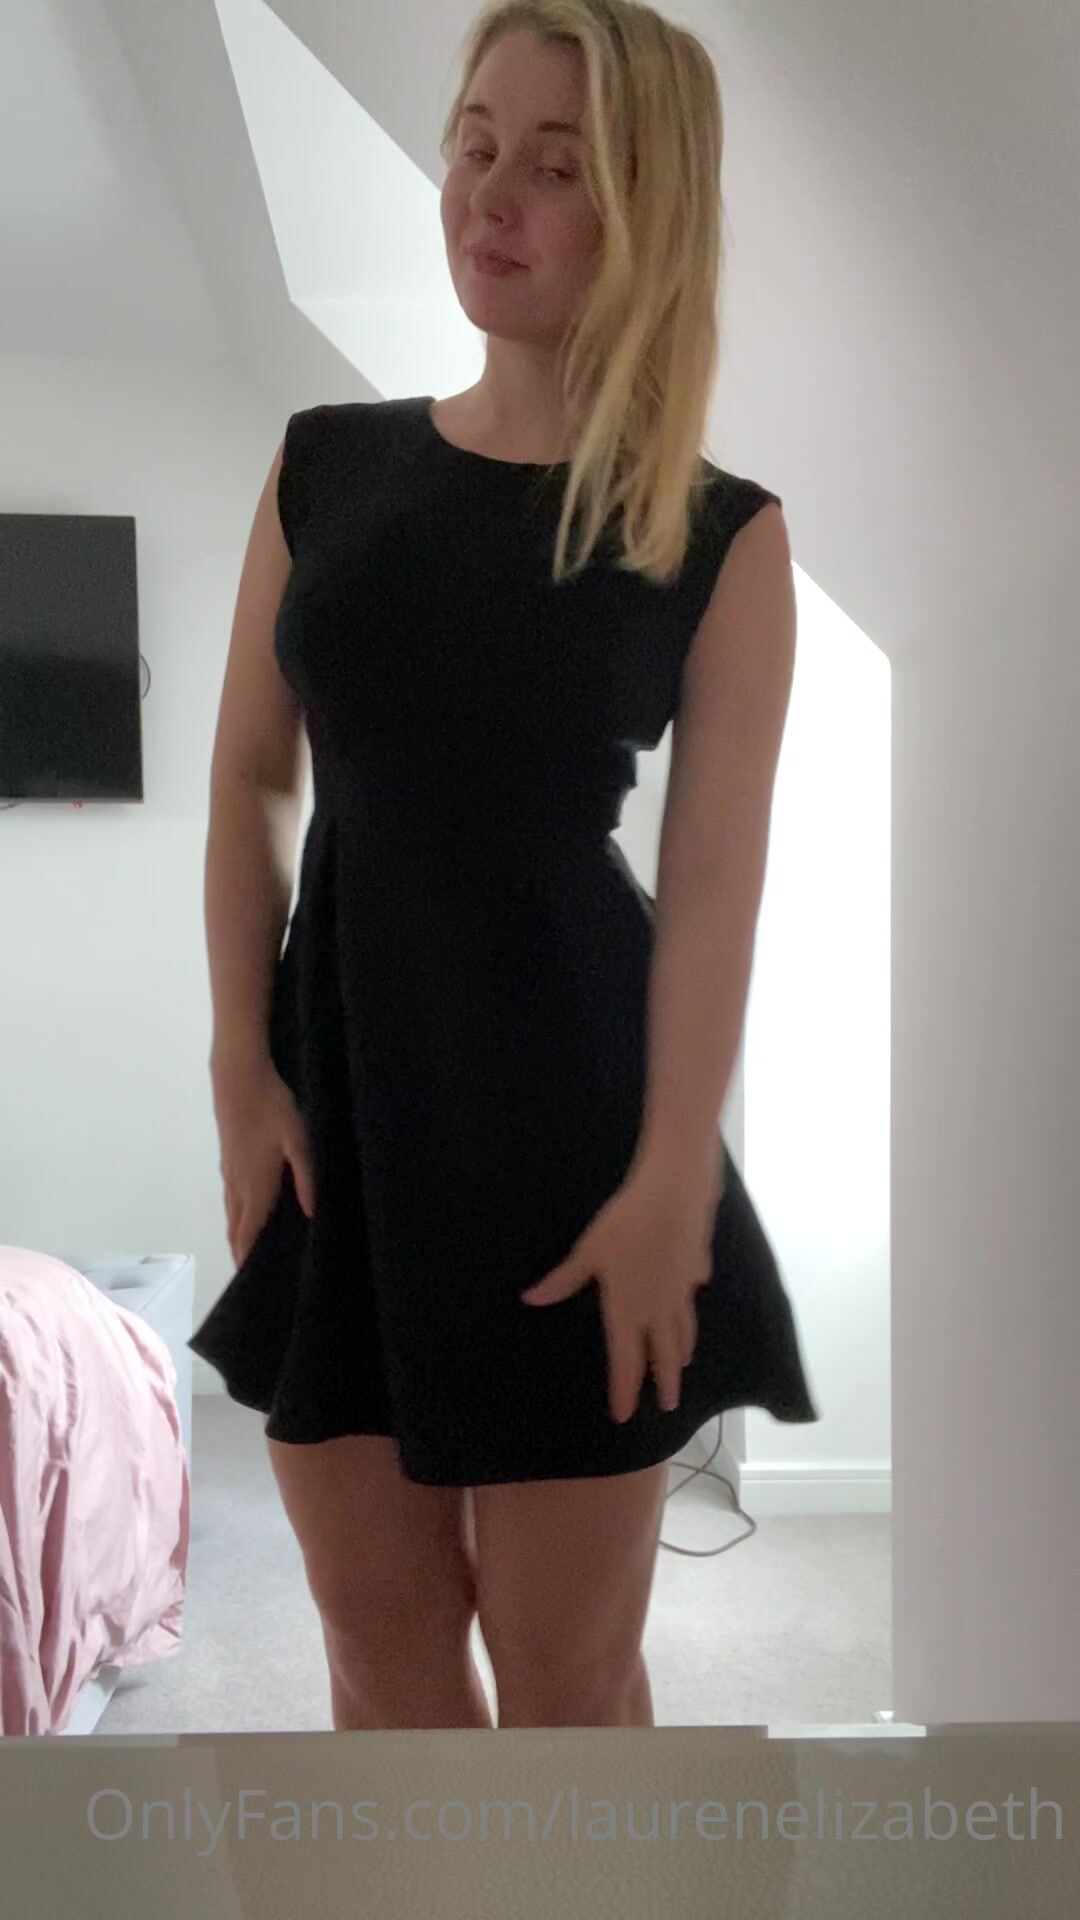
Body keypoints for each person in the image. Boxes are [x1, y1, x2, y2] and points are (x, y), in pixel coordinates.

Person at [189, 0, 818, 1732]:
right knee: (373, 1647)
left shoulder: (720, 532)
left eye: (555, 165)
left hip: (575, 1130)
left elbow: (714, 889)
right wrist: (241, 1062)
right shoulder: (326, 463)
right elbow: (248, 779)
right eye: (474, 145)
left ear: (646, 209)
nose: (490, 194)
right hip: (341, 1106)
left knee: (566, 1676)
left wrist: (671, 1176)